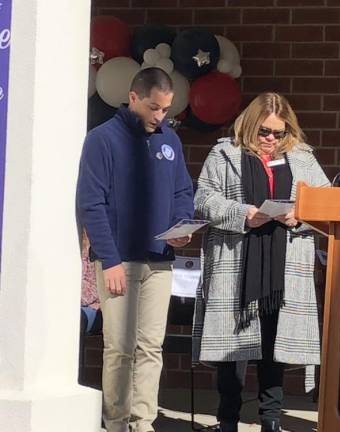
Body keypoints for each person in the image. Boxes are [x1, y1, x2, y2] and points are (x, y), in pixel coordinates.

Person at [192, 92, 329, 432]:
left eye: (277, 133)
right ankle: (228, 419)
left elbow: (327, 200)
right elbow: (204, 197)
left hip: (284, 261)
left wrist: (302, 214)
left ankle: (270, 419)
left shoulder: (302, 158)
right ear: (249, 125)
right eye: (263, 131)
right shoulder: (225, 153)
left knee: (274, 343)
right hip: (237, 262)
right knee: (233, 345)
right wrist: (243, 213)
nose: (270, 139)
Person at [77, 67, 194, 432]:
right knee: (120, 348)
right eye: (153, 108)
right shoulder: (103, 140)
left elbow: (181, 192)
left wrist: (183, 226)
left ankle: (143, 422)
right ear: (133, 98)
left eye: (166, 110)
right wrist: (108, 260)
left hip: (160, 260)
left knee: (151, 347)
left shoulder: (169, 141)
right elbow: (91, 203)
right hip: (120, 261)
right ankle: (116, 422)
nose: (159, 117)